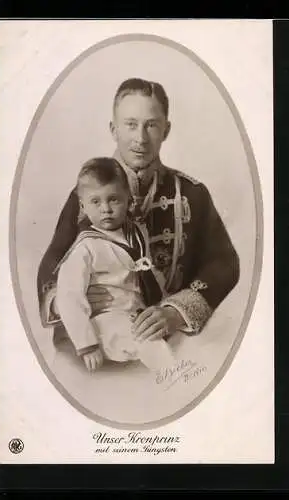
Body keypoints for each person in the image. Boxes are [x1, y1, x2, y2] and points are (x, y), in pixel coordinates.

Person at [37, 77, 240, 353]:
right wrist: (61, 300)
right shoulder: (87, 195)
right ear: (113, 129)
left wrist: (175, 312)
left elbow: (224, 264)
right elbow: (53, 259)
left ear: (166, 130)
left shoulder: (193, 194)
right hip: (92, 345)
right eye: (131, 124)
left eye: (151, 125)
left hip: (170, 346)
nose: (140, 138)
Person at [55, 157, 175, 372]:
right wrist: (87, 345)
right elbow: (69, 296)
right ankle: (175, 388)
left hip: (134, 315)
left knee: (168, 345)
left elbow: (146, 272)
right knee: (159, 353)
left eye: (114, 200)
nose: (106, 209)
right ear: (82, 206)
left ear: (128, 200)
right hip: (106, 321)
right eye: (96, 202)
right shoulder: (86, 247)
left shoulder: (135, 233)